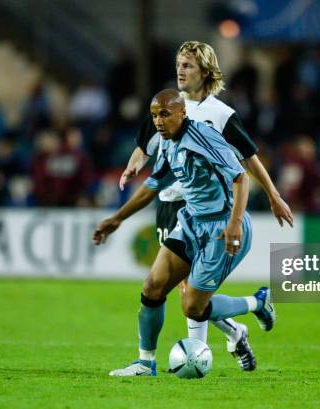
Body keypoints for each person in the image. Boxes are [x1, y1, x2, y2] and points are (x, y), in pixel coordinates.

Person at [119, 41, 293, 371]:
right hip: (171, 206)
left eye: (187, 66)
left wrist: (273, 194)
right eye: (178, 65)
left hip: (206, 209)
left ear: (206, 72)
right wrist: (133, 166)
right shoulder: (168, 104)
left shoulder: (220, 114)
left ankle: (195, 357)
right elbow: (145, 145)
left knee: (190, 293)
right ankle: (237, 328)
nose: (180, 71)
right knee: (183, 292)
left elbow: (248, 158)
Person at [94, 89, 276, 376]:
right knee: (152, 288)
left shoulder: (204, 138)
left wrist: (234, 223)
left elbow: (241, 178)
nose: (158, 121)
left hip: (222, 227)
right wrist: (117, 218)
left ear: (182, 113)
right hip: (191, 222)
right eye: (154, 115)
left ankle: (256, 302)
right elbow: (153, 185)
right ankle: (145, 363)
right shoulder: (167, 143)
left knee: (192, 306)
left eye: (165, 114)